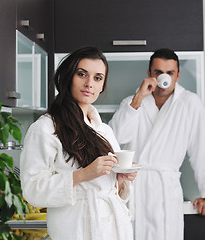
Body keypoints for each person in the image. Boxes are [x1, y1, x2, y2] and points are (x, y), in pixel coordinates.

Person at [20, 46, 138, 240]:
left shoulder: (104, 130)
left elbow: (112, 190)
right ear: (68, 77)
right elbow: (32, 190)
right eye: (82, 74)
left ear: (102, 86)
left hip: (114, 230)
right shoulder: (45, 128)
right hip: (75, 231)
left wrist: (121, 177)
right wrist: (83, 175)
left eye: (98, 78)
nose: (89, 83)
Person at [109, 48, 205, 240]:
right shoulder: (133, 102)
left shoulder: (190, 103)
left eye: (170, 72)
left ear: (178, 75)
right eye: (158, 72)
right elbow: (114, 140)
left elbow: (200, 149)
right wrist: (138, 99)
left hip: (165, 189)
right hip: (135, 189)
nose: (164, 77)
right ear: (149, 74)